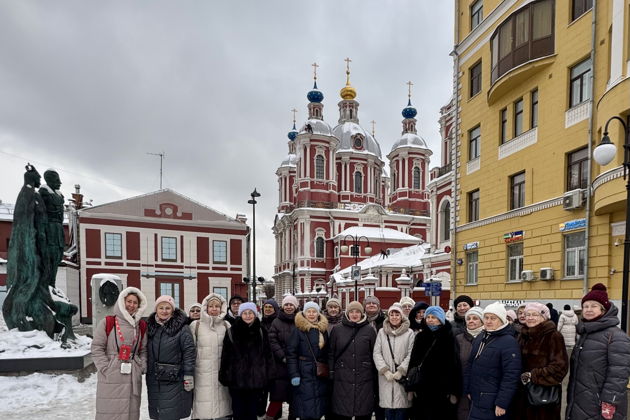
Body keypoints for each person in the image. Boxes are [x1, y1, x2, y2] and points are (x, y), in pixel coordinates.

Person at [566, 284, 630, 420]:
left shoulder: (616, 336)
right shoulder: (585, 332)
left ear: (603, 309)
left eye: (594, 306)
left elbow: (619, 373)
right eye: (585, 306)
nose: (588, 310)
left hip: (600, 403)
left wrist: (610, 401)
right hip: (581, 398)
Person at [92, 287, 148, 420]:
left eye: (135, 302)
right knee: (110, 411)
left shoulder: (141, 326)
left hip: (132, 373)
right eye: (129, 301)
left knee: (131, 412)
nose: (131, 305)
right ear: (122, 302)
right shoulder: (108, 322)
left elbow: (143, 350)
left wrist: (141, 366)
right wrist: (106, 367)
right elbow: (97, 347)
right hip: (111, 375)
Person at [464, 302, 521, 420]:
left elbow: (511, 375)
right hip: (476, 397)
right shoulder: (481, 337)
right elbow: (470, 365)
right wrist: (468, 389)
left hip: (493, 401)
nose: (488, 321)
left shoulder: (508, 341)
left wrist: (502, 403)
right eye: (486, 317)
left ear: (501, 320)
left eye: (493, 318)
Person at [146, 295, 196, 420]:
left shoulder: (182, 328)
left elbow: (189, 351)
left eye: (167, 308)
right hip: (154, 378)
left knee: (171, 413)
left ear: (172, 310)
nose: (164, 311)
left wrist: (188, 373)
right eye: (161, 308)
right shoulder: (150, 328)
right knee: (158, 412)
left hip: (174, 378)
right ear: (156, 310)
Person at [515, 302, 568, 420]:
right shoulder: (523, 335)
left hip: (543, 395)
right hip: (521, 395)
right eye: (527, 314)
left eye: (535, 314)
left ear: (544, 317)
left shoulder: (553, 336)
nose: (530, 318)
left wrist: (533, 375)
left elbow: (560, 367)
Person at [219, 302, 270, 420]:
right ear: (240, 315)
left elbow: (268, 355)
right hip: (237, 381)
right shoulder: (232, 331)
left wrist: (268, 375)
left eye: (250, 313)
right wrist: (224, 375)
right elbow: (226, 356)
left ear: (255, 314)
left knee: (252, 412)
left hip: (255, 381)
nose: (248, 316)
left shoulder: (261, 331)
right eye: (245, 313)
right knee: (238, 411)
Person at [407, 305, 459, 420]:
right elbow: (413, 361)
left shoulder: (449, 336)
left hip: (442, 388)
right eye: (428, 317)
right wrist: (411, 387)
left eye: (434, 317)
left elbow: (454, 365)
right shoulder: (420, 336)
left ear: (440, 319)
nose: (430, 320)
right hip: (422, 387)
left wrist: (453, 390)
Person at [329, 301, 377, 420]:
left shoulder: (369, 330)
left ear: (362, 313)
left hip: (364, 378)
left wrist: (372, 372)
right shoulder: (337, 330)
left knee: (363, 411)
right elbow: (331, 353)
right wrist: (331, 371)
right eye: (351, 312)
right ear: (347, 313)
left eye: (357, 312)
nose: (354, 314)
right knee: (343, 411)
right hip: (342, 377)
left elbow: (374, 354)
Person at [189, 293, 232, 420]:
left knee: (223, 408)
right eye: (211, 306)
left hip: (221, 373)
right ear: (205, 307)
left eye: (217, 306)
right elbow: (190, 351)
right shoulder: (196, 325)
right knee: (203, 409)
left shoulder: (226, 325)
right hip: (202, 374)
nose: (214, 309)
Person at [287, 301, 329, 420]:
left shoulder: (323, 330)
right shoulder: (298, 330)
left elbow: (327, 351)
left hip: (319, 373)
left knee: (318, 404)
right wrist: (294, 374)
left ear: (318, 313)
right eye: (308, 311)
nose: (311, 314)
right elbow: (291, 354)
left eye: (314, 311)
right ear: (304, 314)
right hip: (303, 372)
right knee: (306, 405)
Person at [373, 304, 415, 420]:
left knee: (401, 411)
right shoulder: (382, 332)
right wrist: (385, 371)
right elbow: (377, 353)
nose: (394, 317)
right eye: (392, 314)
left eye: (397, 314)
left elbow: (411, 354)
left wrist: (401, 371)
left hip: (402, 379)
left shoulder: (409, 333)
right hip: (386, 379)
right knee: (389, 412)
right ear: (388, 316)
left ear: (401, 316)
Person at [266, 295, 298, 420]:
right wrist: (283, 356)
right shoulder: (276, 321)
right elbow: (272, 340)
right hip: (279, 365)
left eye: (291, 305)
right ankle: (269, 417)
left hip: (296, 364)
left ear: (295, 307)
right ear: (282, 307)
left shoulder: (300, 321)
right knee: (277, 396)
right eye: (286, 305)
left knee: (294, 398)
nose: (289, 307)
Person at [454, 306, 483, 420]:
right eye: (468, 318)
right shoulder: (458, 339)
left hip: (482, 387)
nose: (471, 321)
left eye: (475, 318)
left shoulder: (488, 338)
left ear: (482, 321)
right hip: (462, 385)